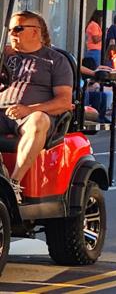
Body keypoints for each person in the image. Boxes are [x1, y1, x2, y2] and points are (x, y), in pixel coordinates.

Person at [0, 11, 73, 203]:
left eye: (18, 29)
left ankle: (13, 184)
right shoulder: (4, 56)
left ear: (35, 31)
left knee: (38, 120)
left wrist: (29, 109)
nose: (12, 34)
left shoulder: (55, 60)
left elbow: (65, 101)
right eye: (10, 30)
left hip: (32, 116)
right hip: (2, 112)